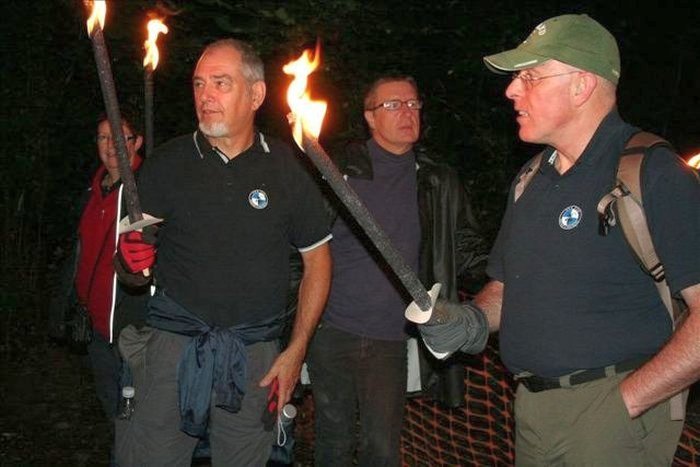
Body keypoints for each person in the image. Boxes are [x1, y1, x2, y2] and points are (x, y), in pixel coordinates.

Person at [419, 14, 700, 465]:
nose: (512, 90)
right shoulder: (531, 179)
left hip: (614, 413)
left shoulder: (653, 173)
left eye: (530, 77)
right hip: (531, 410)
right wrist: (470, 321)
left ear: (581, 85)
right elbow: (508, 286)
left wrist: (626, 403)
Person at [113, 39, 332, 466]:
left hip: (255, 355)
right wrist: (130, 263)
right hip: (173, 347)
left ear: (256, 94)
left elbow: (318, 263)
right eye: (199, 84)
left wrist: (296, 350)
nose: (205, 95)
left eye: (220, 83)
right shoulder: (168, 163)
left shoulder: (288, 168)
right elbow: (130, 266)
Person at [307, 76, 486, 466]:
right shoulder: (339, 172)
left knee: (383, 450)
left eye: (413, 104)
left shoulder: (436, 180)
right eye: (393, 105)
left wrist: (509, 276)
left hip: (391, 337)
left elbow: (466, 249)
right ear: (370, 117)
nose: (407, 112)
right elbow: (303, 246)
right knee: (333, 443)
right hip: (331, 329)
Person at [73, 112, 149, 421]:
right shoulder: (92, 192)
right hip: (95, 327)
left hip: (133, 329)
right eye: (103, 137)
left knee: (139, 414)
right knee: (112, 409)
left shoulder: (147, 188)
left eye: (119, 136)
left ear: (137, 142)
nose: (110, 145)